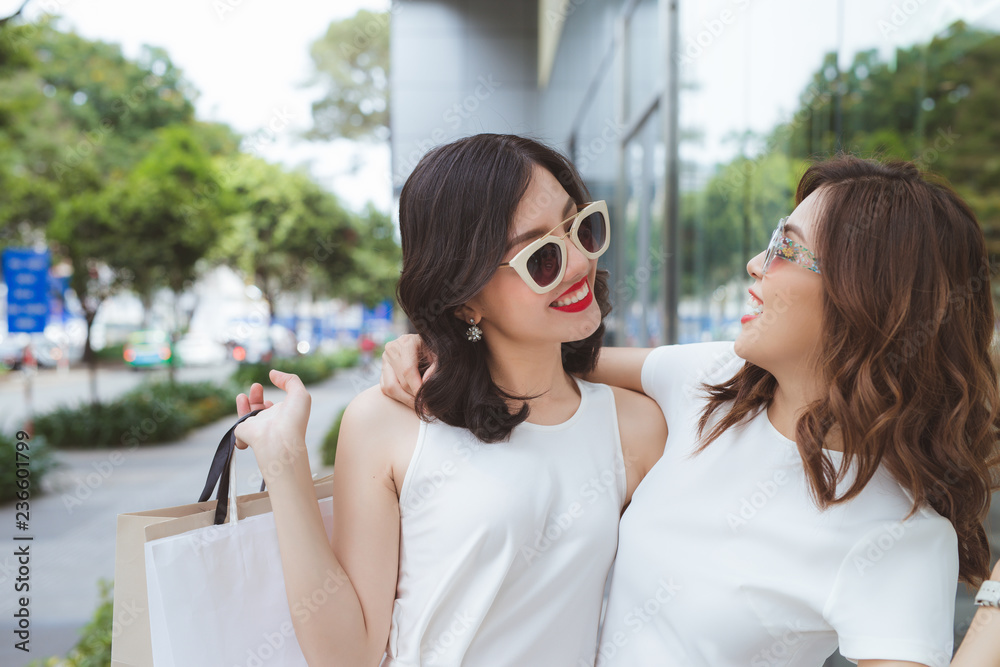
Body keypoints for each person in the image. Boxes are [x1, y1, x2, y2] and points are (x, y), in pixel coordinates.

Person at [380, 155, 1000, 667]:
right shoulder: (713, 380)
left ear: (869, 298)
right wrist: (436, 342)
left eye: (788, 248)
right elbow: (545, 358)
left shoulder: (894, 532)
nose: (756, 263)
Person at [232, 134, 666, 666]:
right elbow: (348, 656)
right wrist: (284, 464)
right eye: (542, 257)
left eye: (580, 226)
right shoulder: (387, 422)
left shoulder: (635, 428)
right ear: (465, 300)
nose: (578, 262)